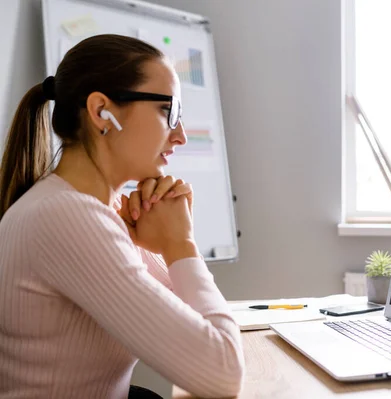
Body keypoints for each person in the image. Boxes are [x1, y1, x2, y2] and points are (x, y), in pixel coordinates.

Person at [0, 34, 244, 398]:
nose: (180, 136)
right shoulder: (67, 217)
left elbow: (195, 326)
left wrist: (160, 247)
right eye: (169, 111)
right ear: (102, 112)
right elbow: (222, 374)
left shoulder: (95, 209)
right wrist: (181, 244)